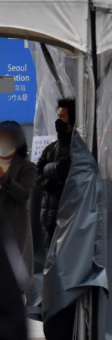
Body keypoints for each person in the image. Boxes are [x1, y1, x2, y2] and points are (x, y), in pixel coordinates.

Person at [0, 121, 37, 284]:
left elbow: (24, 194)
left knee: (13, 281)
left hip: (14, 230)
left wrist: (4, 178)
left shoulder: (27, 167)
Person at [36, 98, 75, 251]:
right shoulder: (52, 148)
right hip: (50, 219)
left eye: (62, 117)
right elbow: (37, 173)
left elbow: (63, 169)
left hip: (70, 219)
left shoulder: (78, 148)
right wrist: (49, 182)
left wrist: (48, 169)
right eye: (58, 117)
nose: (58, 121)